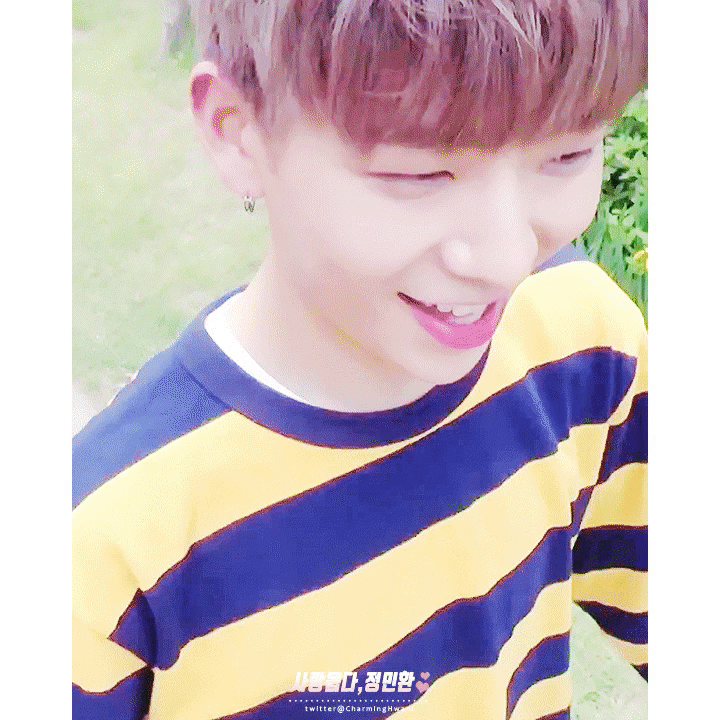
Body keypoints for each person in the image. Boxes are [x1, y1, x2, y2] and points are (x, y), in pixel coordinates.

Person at [72, 1, 648, 718]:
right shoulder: (104, 551)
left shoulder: (580, 342)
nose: (505, 258)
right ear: (239, 132)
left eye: (568, 155)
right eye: (418, 174)